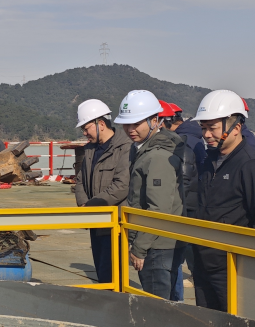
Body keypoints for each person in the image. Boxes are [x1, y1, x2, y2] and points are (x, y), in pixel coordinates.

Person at [190, 89, 255, 312]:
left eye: (212, 128)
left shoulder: (249, 165)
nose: (206, 134)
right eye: (203, 128)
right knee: (208, 326)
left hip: (231, 268)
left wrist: (252, 266)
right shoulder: (208, 161)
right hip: (203, 261)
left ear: (236, 128)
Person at [115, 91, 184, 298]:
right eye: (126, 124)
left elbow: (158, 208)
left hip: (157, 245)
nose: (130, 129)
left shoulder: (157, 156)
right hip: (157, 242)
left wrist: (139, 248)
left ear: (155, 120)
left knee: (158, 308)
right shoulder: (146, 151)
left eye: (136, 123)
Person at [73, 99, 131, 284]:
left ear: (101, 124)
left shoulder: (125, 147)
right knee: (101, 270)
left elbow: (122, 185)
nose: (84, 133)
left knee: (114, 273)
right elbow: (80, 179)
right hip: (96, 219)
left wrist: (91, 205)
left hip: (115, 221)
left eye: (86, 128)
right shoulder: (90, 149)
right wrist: (84, 205)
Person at [159, 102, 200, 301]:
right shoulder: (195, 136)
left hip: (185, 205)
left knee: (177, 255)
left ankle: (178, 299)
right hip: (194, 202)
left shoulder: (181, 143)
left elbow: (182, 180)